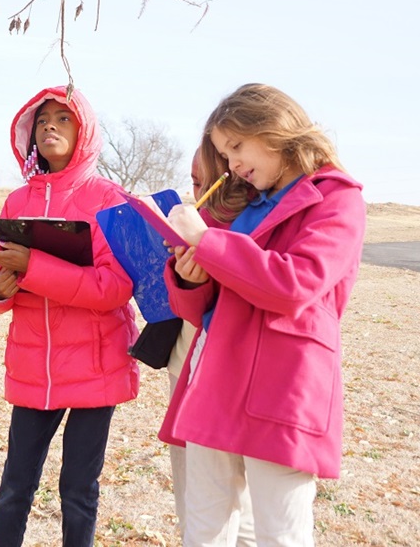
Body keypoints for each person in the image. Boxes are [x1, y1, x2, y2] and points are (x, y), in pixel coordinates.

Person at [161, 83, 366, 547]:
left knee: (281, 532)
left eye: (236, 146)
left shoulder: (338, 199)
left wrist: (208, 242)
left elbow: (295, 284)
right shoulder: (242, 204)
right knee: (204, 528)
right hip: (215, 373)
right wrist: (192, 276)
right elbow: (208, 306)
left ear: (275, 130)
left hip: (283, 384)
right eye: (222, 153)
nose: (231, 164)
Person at [0, 85, 137, 547]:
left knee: (78, 492)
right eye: (42, 119)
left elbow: (114, 288)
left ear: (84, 132)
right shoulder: (17, 203)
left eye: (64, 118)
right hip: (33, 370)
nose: (50, 126)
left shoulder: (109, 199)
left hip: (94, 368)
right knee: (13, 490)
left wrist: (33, 268)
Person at [165, 151, 255, 546]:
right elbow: (187, 310)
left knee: (246, 504)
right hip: (186, 363)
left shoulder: (257, 221)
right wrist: (185, 280)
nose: (195, 191)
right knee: (197, 504)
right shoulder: (193, 224)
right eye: (193, 181)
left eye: (204, 182)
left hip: (243, 373)